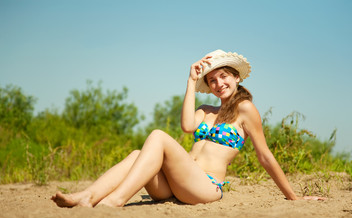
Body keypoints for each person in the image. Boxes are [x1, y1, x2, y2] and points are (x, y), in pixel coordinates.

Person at [51, 49, 323, 208]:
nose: (218, 84)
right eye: (212, 80)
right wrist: (192, 82)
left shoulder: (245, 110)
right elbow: (186, 126)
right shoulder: (206, 110)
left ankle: (115, 201)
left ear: (236, 77)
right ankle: (87, 196)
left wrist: (294, 197)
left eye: (224, 76)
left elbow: (265, 156)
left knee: (157, 136)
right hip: (175, 185)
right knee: (137, 154)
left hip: (205, 187)